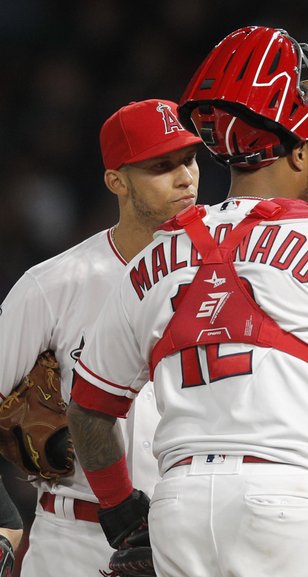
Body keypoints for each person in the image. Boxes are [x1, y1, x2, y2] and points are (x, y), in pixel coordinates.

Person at [66, 26, 308, 577]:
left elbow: (89, 410)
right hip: (296, 499)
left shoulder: (152, 258)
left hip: (181, 506)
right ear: (294, 151)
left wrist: (123, 514)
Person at [0, 98, 202, 576]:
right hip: (77, 540)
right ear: (117, 181)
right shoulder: (52, 287)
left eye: (189, 159)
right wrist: (4, 520)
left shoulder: (227, 273)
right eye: (161, 166)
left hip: (196, 535)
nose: (185, 177)